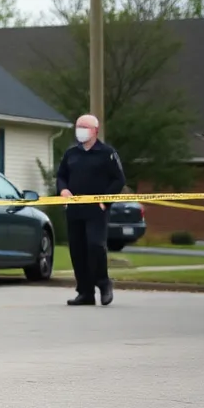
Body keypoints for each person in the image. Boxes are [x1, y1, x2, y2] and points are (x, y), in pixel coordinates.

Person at [56, 113, 126, 307]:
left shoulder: (107, 153)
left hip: (96, 209)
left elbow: (119, 180)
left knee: (95, 246)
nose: (81, 130)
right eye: (78, 126)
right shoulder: (71, 154)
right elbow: (61, 175)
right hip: (74, 209)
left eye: (85, 126)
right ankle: (85, 292)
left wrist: (105, 201)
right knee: (78, 250)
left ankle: (104, 283)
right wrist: (63, 189)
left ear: (95, 130)